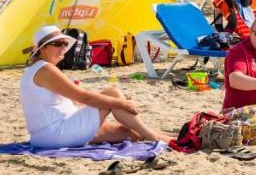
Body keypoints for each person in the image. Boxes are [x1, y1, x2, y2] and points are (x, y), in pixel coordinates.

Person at [19, 25, 173, 148]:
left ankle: (172, 137)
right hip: (56, 134)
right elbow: (83, 96)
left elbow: (74, 102)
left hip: (47, 135)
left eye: (65, 43)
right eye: (58, 44)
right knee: (113, 93)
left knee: (129, 132)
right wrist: (121, 103)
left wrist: (113, 102)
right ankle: (153, 137)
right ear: (43, 48)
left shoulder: (37, 69)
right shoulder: (45, 69)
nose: (64, 48)